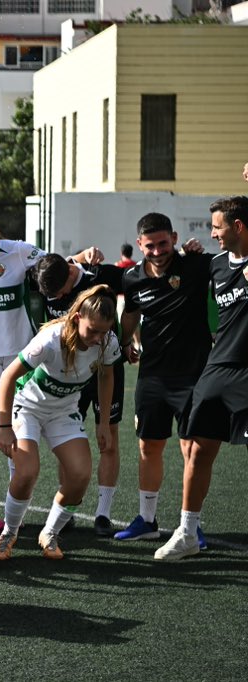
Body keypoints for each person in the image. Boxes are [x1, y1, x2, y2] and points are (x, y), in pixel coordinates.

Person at [0, 205, 100, 534]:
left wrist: (82, 256)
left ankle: (14, 512)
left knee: (15, 435)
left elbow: (56, 264)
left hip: (20, 356)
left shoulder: (19, 251)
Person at [0, 285, 120, 561]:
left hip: (63, 411)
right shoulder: (50, 339)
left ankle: (49, 533)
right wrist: (4, 427)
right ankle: (9, 533)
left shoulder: (108, 342)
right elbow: (7, 377)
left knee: (80, 476)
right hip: (28, 408)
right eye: (93, 331)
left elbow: (106, 376)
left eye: (104, 332)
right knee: (26, 472)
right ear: (77, 318)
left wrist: (104, 423)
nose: (98, 339)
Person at [155, 196, 248, 561]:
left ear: (238, 226)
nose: (212, 234)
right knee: (197, 449)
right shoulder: (216, 264)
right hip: (218, 367)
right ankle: (188, 532)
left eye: (217, 227)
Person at [113, 213, 213, 547]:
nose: (157, 251)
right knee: (148, 446)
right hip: (152, 376)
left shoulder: (195, 265)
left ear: (174, 238)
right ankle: (147, 520)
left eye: (163, 243)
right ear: (139, 244)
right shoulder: (132, 278)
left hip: (193, 376)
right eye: (150, 246)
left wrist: (199, 249)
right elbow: (130, 313)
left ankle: (191, 525)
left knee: (191, 449)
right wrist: (125, 342)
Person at [33, 253, 127, 536]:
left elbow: (139, 282)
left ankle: (103, 514)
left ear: (70, 275)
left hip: (104, 370)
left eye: (62, 293)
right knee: (67, 440)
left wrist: (127, 339)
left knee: (108, 436)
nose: (59, 298)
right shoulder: (48, 274)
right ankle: (67, 510)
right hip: (69, 373)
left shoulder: (102, 276)